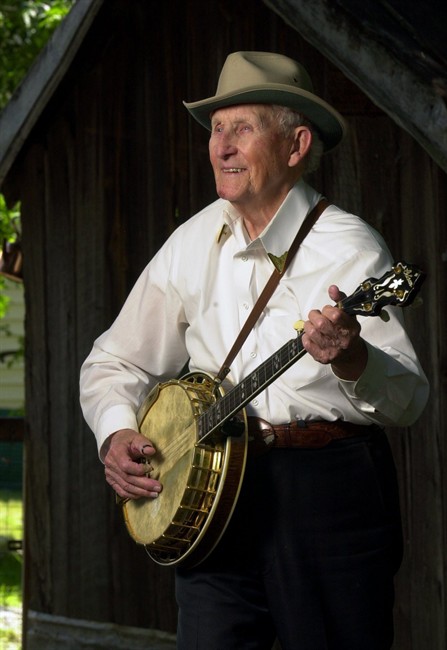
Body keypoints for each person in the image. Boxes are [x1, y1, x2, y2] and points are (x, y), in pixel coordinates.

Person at [80, 51, 429, 650]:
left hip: (323, 493)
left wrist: (351, 358)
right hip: (212, 492)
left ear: (296, 146)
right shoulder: (192, 241)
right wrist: (114, 433)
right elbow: (117, 361)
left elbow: (408, 400)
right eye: (217, 129)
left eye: (242, 128)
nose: (221, 147)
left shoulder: (350, 250)